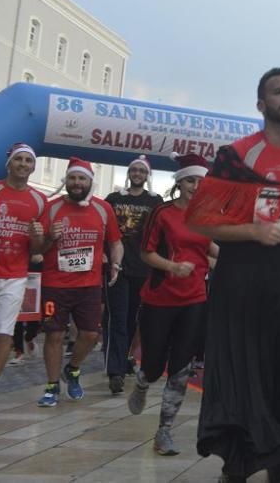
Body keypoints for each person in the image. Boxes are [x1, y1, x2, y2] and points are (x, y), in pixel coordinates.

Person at [186, 68, 280, 483]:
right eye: (279, 92)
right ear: (261, 104)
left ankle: (274, 444)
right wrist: (252, 231)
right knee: (243, 371)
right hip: (242, 275)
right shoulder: (236, 156)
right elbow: (200, 221)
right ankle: (251, 463)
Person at [127, 153, 216, 456]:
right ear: (180, 182)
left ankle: (164, 431)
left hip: (195, 299)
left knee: (181, 368)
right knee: (153, 367)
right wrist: (171, 267)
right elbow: (145, 253)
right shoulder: (162, 213)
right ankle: (142, 382)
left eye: (201, 181)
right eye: (191, 180)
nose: (196, 186)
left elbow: (212, 249)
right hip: (160, 297)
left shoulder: (207, 216)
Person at [34, 158, 123, 406]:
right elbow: (36, 248)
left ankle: (72, 369)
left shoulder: (103, 209)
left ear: (89, 182)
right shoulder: (51, 208)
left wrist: (116, 263)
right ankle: (52, 387)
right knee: (54, 335)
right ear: (67, 180)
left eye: (81, 178)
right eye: (72, 178)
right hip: (55, 284)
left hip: (89, 286)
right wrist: (50, 237)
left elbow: (116, 242)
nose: (76, 183)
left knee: (91, 334)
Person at [103, 154, 163, 394]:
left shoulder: (155, 200)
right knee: (116, 319)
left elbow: (162, 232)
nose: (137, 174)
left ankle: (124, 358)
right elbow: (103, 228)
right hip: (118, 268)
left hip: (144, 268)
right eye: (134, 170)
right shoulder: (114, 198)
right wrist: (103, 254)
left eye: (142, 171)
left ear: (147, 175)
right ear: (129, 173)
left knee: (132, 319)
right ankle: (115, 372)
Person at [0, 144, 47, 382]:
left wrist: (37, 237)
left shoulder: (39, 200)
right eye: (19, 159)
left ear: (34, 167)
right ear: (9, 164)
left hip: (15, 276)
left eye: (29, 160)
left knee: (4, 333)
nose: (24, 164)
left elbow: (38, 249)